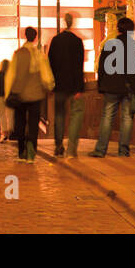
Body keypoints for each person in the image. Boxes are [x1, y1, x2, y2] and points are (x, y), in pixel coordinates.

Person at [91, 17, 135, 158]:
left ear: (119, 29)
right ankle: (123, 151)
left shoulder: (109, 45)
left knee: (107, 117)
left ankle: (100, 150)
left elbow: (101, 68)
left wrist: (100, 85)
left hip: (111, 86)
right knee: (127, 118)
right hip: (129, 87)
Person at [4, 27, 55, 162]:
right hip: (36, 95)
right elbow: (46, 74)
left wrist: (7, 92)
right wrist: (50, 86)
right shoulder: (39, 55)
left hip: (19, 95)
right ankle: (31, 152)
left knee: (20, 123)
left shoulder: (18, 54)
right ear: (35, 38)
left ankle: (21, 152)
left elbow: (11, 75)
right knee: (33, 124)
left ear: (25, 36)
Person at [48, 12, 87, 158]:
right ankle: (71, 148)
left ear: (64, 22)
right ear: (73, 23)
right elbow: (79, 65)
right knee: (76, 115)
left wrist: (52, 84)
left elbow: (50, 63)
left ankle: (58, 146)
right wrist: (80, 87)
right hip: (74, 85)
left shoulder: (56, 40)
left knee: (59, 115)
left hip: (58, 85)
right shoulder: (77, 41)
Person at [0, 59, 12, 141]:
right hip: (9, 96)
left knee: (2, 115)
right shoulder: (11, 74)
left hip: (0, 96)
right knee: (10, 114)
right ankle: (11, 131)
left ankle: (4, 132)